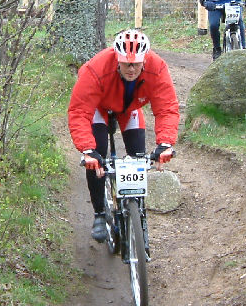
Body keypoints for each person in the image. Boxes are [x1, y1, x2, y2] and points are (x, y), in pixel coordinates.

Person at [68, 29, 179, 242]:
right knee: (97, 156)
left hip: (131, 108)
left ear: (144, 60)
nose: (131, 69)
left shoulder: (157, 67)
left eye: (136, 64)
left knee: (138, 156)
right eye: (126, 64)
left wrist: (165, 143)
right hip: (99, 108)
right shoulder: (96, 68)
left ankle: (137, 210)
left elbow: (166, 108)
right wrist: (87, 149)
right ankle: (100, 212)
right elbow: (80, 111)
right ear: (117, 59)